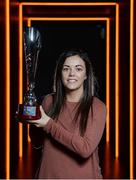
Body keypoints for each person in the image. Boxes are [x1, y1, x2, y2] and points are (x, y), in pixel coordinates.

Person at [28, 49, 106, 179]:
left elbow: (85, 149)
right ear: (60, 73)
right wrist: (32, 121)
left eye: (78, 69)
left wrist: (47, 123)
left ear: (86, 75)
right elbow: (38, 143)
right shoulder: (48, 101)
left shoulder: (97, 107)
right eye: (66, 69)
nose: (71, 73)